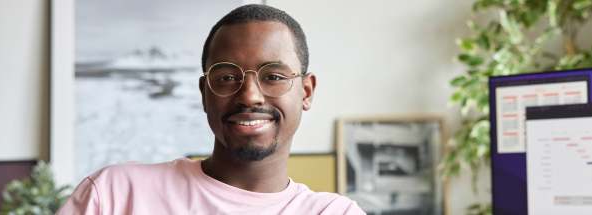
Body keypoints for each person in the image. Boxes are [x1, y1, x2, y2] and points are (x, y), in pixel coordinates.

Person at [56, 4, 365, 215]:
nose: (250, 96)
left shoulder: (333, 213)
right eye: (227, 77)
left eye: (273, 76)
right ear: (205, 94)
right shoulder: (116, 195)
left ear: (306, 92)